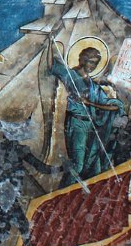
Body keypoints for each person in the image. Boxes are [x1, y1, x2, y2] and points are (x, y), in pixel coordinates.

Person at [48, 41, 123, 184]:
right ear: (83, 59)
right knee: (78, 165)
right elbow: (53, 64)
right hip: (77, 124)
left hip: (91, 126)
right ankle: (64, 192)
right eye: (91, 62)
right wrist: (51, 43)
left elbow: (114, 106)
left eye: (96, 63)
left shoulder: (94, 86)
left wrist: (91, 103)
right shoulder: (70, 75)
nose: (93, 66)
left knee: (92, 166)